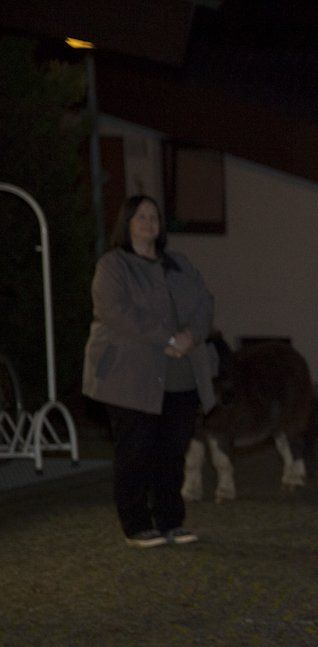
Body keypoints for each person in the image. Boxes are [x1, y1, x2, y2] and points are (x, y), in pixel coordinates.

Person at [82, 194, 216, 547]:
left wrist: (191, 336)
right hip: (130, 376)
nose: (149, 222)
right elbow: (116, 312)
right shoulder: (113, 266)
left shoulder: (179, 264)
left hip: (179, 373)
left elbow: (204, 303)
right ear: (126, 223)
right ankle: (136, 523)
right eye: (140, 216)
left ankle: (171, 520)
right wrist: (166, 338)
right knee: (136, 451)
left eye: (154, 216)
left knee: (172, 451)